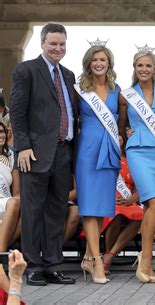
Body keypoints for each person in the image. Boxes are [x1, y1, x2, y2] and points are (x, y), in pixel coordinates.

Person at [10, 22, 77, 286]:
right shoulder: (26, 70)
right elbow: (17, 110)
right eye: (53, 44)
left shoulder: (69, 75)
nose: (57, 48)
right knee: (33, 211)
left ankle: (53, 265)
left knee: (56, 212)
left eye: (61, 44)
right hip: (34, 153)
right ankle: (33, 266)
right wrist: (23, 145)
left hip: (63, 152)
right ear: (42, 43)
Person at [118, 48, 155, 283]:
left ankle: (145, 260)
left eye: (148, 65)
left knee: (152, 208)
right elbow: (119, 125)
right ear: (134, 69)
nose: (144, 69)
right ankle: (146, 258)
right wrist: (127, 133)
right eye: (140, 66)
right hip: (137, 150)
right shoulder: (127, 95)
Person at [75, 42, 121, 284]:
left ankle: (88, 256)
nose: (99, 63)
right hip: (87, 150)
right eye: (94, 60)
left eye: (103, 59)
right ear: (88, 64)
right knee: (89, 206)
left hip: (109, 150)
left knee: (102, 207)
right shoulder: (81, 89)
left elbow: (123, 121)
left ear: (109, 63)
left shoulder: (116, 90)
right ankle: (96, 260)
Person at [102, 135, 142, 276]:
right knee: (116, 214)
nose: (117, 138)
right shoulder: (103, 158)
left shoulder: (132, 161)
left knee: (139, 215)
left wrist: (131, 199)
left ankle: (109, 256)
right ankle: (108, 254)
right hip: (107, 200)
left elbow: (140, 188)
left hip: (128, 201)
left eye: (119, 135)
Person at [0, 123, 20, 252]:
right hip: (6, 204)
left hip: (7, 203)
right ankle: (1, 252)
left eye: (2, 131)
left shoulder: (11, 157)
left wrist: (18, 202)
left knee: (29, 210)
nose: (0, 135)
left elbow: (17, 192)